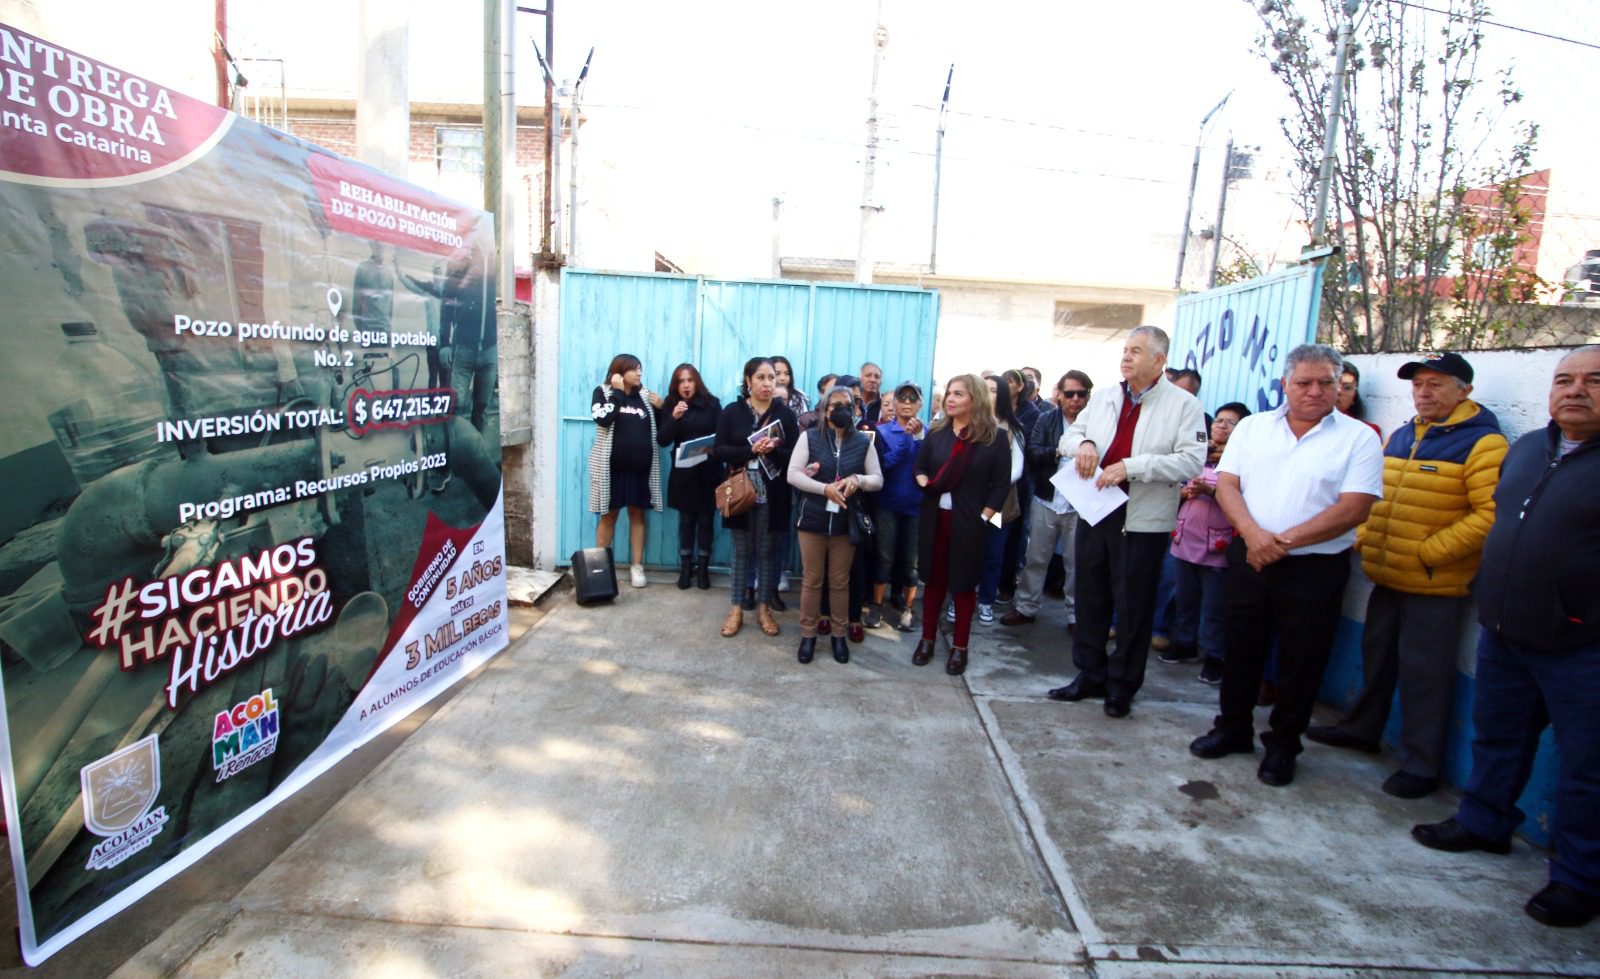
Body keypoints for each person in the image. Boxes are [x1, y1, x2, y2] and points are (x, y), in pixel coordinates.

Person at [1410, 346, 1600, 929]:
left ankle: (1577, 878)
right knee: (1498, 736)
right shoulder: (1529, 451)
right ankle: (1484, 822)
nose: (1575, 390)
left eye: (1593, 381)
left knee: (1587, 766)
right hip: (1506, 629)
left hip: (1582, 646)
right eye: (1564, 379)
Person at [1308, 352, 1505, 799]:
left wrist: (1430, 552)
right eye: (1419, 384)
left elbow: (1493, 514)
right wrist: (1365, 534)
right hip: (1387, 571)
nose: (1424, 392)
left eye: (1436, 383)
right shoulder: (1404, 433)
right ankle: (1362, 729)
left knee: (1425, 675)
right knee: (1377, 659)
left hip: (1434, 583)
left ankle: (1421, 764)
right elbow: (1373, 493)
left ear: (1465, 391)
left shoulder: (1483, 443)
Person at [1188, 344, 1384, 786]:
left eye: (1325, 383)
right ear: (1285, 385)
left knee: (1302, 661)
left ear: (1338, 386)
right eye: (1304, 382)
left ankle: (1283, 747)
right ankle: (1233, 730)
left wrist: (1282, 542)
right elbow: (1228, 486)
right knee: (1241, 650)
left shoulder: (1359, 438)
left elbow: (1355, 507)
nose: (1314, 391)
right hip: (1249, 558)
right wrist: (1255, 538)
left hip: (1314, 567)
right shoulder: (1254, 428)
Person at [1048, 326, 1207, 718]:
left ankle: (1122, 685)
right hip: (1095, 509)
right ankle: (1090, 673)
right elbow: (1069, 438)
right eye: (1124, 350)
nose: (1126, 357)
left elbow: (1191, 461)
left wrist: (1131, 468)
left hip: (1141, 519)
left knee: (1133, 606)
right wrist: (1083, 444)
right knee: (1090, 596)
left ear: (1159, 360)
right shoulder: (1104, 397)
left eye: (1136, 351)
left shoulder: (1184, 406)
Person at [912, 375, 1012, 675]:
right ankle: (927, 640)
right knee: (934, 582)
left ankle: (959, 648)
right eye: (949, 394)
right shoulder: (938, 433)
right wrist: (922, 480)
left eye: (959, 394)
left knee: (964, 585)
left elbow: (1001, 485)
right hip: (935, 518)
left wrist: (984, 516)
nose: (950, 399)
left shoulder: (993, 438)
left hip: (970, 523)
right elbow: (921, 466)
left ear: (976, 399)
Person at [788, 384, 884, 664]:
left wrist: (858, 480)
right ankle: (808, 635)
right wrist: (823, 489)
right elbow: (793, 475)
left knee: (840, 582)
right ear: (825, 410)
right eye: (835, 405)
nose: (842, 410)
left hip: (845, 523)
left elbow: (877, 479)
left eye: (847, 405)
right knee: (812, 580)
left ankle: (839, 637)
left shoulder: (863, 442)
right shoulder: (809, 438)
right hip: (813, 519)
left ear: (855, 410)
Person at [1162, 402, 1250, 685]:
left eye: (1231, 422)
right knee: (1185, 598)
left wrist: (1211, 491)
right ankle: (1185, 643)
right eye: (1219, 420)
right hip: (1187, 537)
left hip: (1217, 544)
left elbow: (1242, 499)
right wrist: (1185, 492)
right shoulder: (1196, 455)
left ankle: (1215, 655)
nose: (1222, 426)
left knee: (1214, 606)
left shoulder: (1243, 461)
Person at [714, 357, 798, 638]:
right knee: (741, 551)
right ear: (748, 380)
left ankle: (764, 609)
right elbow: (720, 450)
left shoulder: (784, 415)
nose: (767, 383)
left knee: (767, 551)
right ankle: (736, 608)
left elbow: (795, 457)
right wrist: (751, 451)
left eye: (772, 378)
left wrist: (772, 450)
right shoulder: (732, 412)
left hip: (773, 493)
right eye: (761, 377)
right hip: (740, 490)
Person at [1005, 370, 1093, 630]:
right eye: (1069, 394)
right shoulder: (1046, 419)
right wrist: (1059, 453)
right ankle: (1026, 607)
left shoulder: (1096, 423)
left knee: (1076, 563)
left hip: (1080, 503)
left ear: (1089, 396)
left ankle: (1075, 616)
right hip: (1046, 498)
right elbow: (1033, 452)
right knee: (1036, 558)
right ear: (1059, 395)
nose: (1075, 399)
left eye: (1081, 394)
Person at [587, 354, 664, 589]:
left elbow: (660, 430)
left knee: (638, 516)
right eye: (634, 369)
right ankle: (599, 569)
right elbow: (603, 419)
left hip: (640, 470)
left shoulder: (645, 396)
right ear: (619, 372)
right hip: (611, 470)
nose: (639, 373)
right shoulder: (603, 392)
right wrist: (618, 392)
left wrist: (660, 408)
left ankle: (637, 566)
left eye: (640, 369)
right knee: (608, 516)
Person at [657, 363, 725, 591]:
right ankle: (685, 568)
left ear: (697, 382)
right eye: (681, 381)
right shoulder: (670, 405)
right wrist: (674, 418)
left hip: (708, 470)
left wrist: (708, 449)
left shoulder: (712, 404)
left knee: (706, 521)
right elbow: (663, 439)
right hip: (683, 473)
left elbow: (722, 436)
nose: (686, 385)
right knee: (686, 521)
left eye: (690, 380)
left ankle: (704, 569)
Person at [866, 382, 926, 632]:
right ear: (894, 403)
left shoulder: (929, 433)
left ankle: (907, 609)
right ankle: (877, 605)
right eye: (903, 398)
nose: (908, 402)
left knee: (910, 561)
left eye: (913, 398)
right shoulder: (882, 432)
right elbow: (881, 466)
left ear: (920, 404)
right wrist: (905, 441)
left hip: (917, 507)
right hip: (887, 504)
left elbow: (931, 465)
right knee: (884, 555)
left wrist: (919, 438)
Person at [970, 374, 1025, 625]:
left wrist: (992, 485)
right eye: (985, 389)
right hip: (969, 502)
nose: (988, 394)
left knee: (993, 553)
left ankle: (986, 602)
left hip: (999, 505)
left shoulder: (1013, 429)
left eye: (993, 390)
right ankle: (962, 599)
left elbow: (1017, 469)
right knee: (966, 552)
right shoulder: (969, 424)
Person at [1337, 361, 1383, 439]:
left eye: (1347, 387)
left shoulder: (1366, 432)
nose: (1339, 391)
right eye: (1331, 384)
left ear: (1354, 396)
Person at [859, 362, 884, 429]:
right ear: (860, 379)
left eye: (877, 377)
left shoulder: (885, 403)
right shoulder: (852, 402)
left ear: (881, 382)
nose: (873, 380)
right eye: (868, 375)